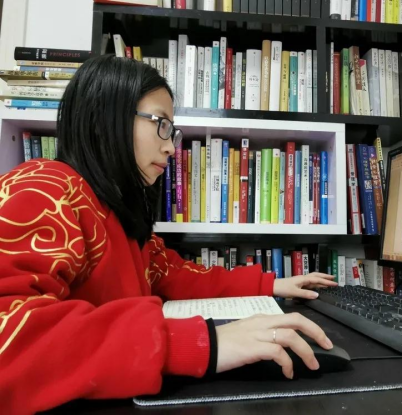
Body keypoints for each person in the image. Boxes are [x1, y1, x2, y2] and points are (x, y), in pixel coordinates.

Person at [0, 55, 337, 414]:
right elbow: (11, 334)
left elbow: (174, 274)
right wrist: (200, 343)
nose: (170, 147)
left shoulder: (116, 211)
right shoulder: (41, 188)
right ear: (104, 118)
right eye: (161, 124)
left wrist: (270, 284)